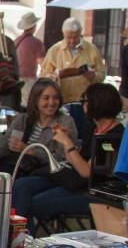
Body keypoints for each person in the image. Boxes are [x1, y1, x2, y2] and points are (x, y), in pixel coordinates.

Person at [13, 82, 124, 233]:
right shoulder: (95, 129)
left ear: (95, 104)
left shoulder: (113, 136)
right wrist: (67, 141)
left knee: (31, 203)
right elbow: (75, 160)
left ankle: (21, 244)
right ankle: (17, 244)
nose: (82, 105)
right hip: (72, 180)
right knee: (22, 186)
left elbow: (87, 171)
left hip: (93, 193)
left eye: (84, 101)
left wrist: (67, 143)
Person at [0, 78, 76, 176]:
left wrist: (31, 151)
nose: (51, 103)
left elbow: (62, 158)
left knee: (21, 185)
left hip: (47, 172)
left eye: (55, 98)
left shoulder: (65, 122)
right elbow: (4, 142)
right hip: (20, 166)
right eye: (46, 98)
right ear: (36, 100)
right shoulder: (23, 119)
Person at [40, 17, 105, 105]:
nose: (72, 41)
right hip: (61, 100)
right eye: (68, 37)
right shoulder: (54, 50)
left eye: (75, 37)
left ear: (80, 33)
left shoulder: (92, 49)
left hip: (85, 102)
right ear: (63, 34)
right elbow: (43, 76)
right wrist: (54, 76)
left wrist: (93, 76)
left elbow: (102, 75)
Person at [14, 12, 45, 108]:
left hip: (15, 79)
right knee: (29, 106)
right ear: (34, 26)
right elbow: (43, 63)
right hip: (28, 81)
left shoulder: (16, 40)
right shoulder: (37, 43)